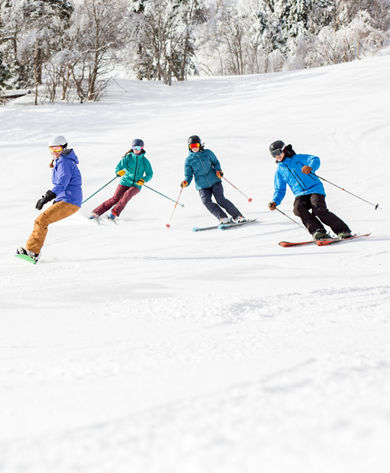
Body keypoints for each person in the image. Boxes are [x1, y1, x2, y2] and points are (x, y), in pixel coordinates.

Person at [267, 140, 352, 240]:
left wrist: (310, 167)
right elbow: (280, 189)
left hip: (315, 188)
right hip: (300, 194)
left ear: (284, 150)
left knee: (318, 209)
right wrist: (275, 201)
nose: (277, 156)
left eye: (278, 152)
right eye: (273, 155)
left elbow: (315, 159)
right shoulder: (280, 171)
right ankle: (318, 231)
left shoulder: (297, 158)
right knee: (298, 209)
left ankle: (343, 230)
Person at [16, 135, 82, 262]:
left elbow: (62, 184)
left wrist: (46, 198)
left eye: (57, 149)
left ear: (64, 148)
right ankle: (33, 251)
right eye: (52, 150)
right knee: (41, 221)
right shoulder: (61, 161)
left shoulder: (64, 161)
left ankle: (33, 252)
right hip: (67, 199)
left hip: (69, 200)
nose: (54, 152)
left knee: (42, 220)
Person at [180, 135, 245, 224]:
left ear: (200, 145)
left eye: (196, 145)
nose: (194, 148)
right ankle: (223, 218)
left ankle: (238, 216)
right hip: (202, 186)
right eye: (192, 146)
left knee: (221, 199)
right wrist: (186, 182)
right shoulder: (188, 160)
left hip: (215, 181)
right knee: (206, 202)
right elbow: (189, 175)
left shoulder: (208, 153)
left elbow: (216, 163)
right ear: (189, 147)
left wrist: (218, 171)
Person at [89, 139, 153, 221]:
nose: (136, 149)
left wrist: (143, 180)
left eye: (138, 147)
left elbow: (150, 174)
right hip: (125, 182)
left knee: (127, 195)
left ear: (142, 148)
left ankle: (114, 213)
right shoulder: (128, 158)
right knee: (115, 198)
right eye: (134, 147)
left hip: (136, 185)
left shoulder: (145, 161)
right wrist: (119, 172)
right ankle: (96, 213)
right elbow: (118, 168)